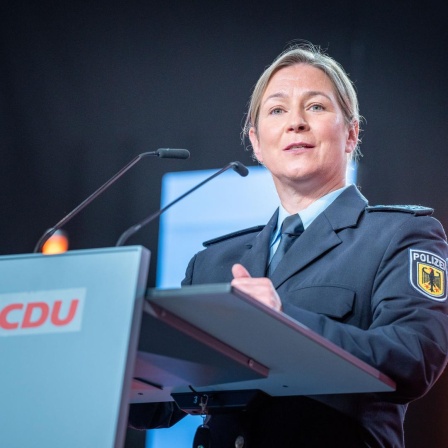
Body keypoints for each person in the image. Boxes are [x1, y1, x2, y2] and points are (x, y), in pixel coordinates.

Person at [129, 43, 448, 447]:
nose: (295, 122)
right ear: (257, 143)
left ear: (351, 134)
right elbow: (156, 405)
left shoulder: (400, 236)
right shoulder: (212, 263)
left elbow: (414, 359)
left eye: (315, 107)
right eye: (277, 110)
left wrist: (285, 322)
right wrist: (118, 356)